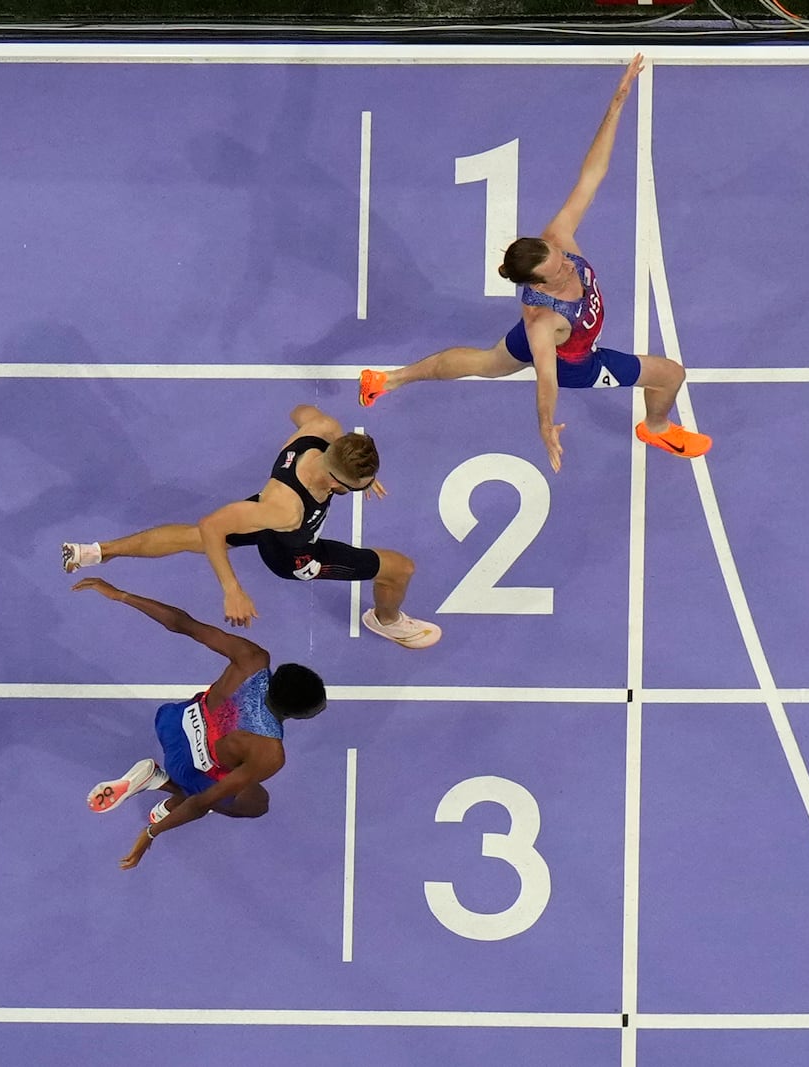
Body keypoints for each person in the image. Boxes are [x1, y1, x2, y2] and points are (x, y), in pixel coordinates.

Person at [356, 54, 710, 474]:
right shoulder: (544, 321)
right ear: (538, 284)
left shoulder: (556, 240)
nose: (566, 262)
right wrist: (545, 426)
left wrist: (615, 106)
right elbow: (547, 380)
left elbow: (590, 176)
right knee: (669, 374)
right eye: (557, 268)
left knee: (486, 363)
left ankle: (385, 380)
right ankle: (655, 426)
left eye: (560, 256)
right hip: (576, 361)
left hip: (542, 343)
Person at [61, 403, 439, 648]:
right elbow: (213, 527)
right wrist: (232, 590)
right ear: (338, 483)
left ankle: (98, 551)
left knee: (188, 537)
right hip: (294, 555)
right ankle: (386, 620)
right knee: (399, 569)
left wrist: (358, 469)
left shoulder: (320, 432)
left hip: (265, 510)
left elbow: (300, 410)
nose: (366, 488)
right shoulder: (285, 510)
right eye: (360, 486)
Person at [73, 576, 326, 871]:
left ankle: (154, 778)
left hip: (170, 722)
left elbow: (183, 624)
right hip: (187, 766)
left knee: (219, 781)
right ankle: (166, 786)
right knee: (256, 803)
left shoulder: (252, 659)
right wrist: (151, 833)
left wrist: (121, 595)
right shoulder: (268, 752)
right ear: (297, 714)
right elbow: (205, 800)